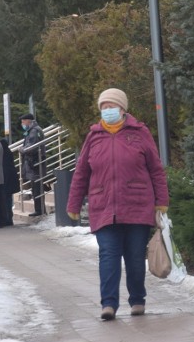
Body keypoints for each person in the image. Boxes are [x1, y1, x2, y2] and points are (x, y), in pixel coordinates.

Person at [66, 88, 169, 321]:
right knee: (108, 255)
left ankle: (137, 300)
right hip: (104, 207)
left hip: (137, 205)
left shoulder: (139, 133)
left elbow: (156, 170)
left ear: (123, 109)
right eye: (103, 107)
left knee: (134, 257)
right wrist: (73, 203)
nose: (107, 110)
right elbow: (82, 172)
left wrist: (161, 202)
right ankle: (109, 304)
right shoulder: (94, 136)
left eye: (112, 106)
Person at [20, 113, 46, 217]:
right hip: (34, 162)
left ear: (28, 121)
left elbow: (31, 147)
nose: (22, 124)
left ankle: (39, 210)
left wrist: (22, 149)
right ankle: (39, 209)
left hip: (35, 163)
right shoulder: (32, 130)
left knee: (37, 187)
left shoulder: (34, 131)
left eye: (23, 122)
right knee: (36, 187)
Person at [0, 138, 20, 226]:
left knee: (5, 200)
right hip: (11, 180)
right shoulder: (8, 153)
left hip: (5, 180)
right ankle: (9, 218)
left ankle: (7, 218)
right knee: (8, 200)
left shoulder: (2, 155)